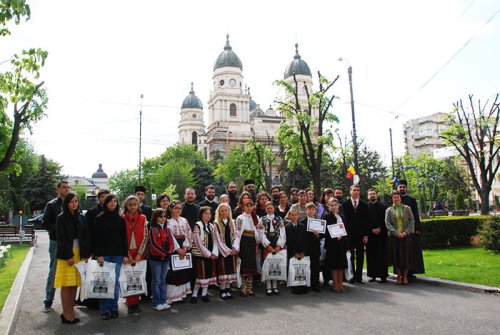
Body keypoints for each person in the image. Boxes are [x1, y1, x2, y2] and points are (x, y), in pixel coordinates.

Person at [54, 192, 90, 324]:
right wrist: (68, 255)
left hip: (79, 254)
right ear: (66, 203)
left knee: (74, 284)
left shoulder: (81, 217)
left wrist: (86, 254)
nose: (74, 204)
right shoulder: (61, 218)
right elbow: (61, 239)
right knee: (66, 284)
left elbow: (85, 237)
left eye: (76, 201)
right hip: (67, 255)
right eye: (72, 201)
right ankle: (65, 313)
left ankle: (71, 312)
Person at [94, 194, 129, 320]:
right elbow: (97, 239)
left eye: (115, 201)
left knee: (116, 283)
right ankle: (105, 309)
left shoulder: (120, 219)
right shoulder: (99, 218)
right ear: (106, 203)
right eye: (110, 201)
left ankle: (114, 307)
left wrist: (125, 254)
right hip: (105, 255)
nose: (113, 203)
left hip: (118, 254)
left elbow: (124, 238)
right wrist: (99, 255)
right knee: (105, 282)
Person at [42, 180, 70, 312]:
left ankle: (71, 300)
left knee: (71, 270)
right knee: (54, 270)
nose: (66, 189)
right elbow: (46, 223)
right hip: (56, 242)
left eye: (68, 187)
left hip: (71, 242)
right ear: (58, 189)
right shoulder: (52, 205)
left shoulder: (73, 203)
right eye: (64, 187)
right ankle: (48, 300)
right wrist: (58, 232)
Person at [83, 188, 110, 310]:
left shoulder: (111, 211)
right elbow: (88, 232)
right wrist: (91, 250)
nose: (105, 199)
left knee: (105, 276)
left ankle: (104, 299)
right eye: (103, 197)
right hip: (95, 248)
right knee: (94, 275)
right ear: (99, 198)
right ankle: (92, 301)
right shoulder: (92, 212)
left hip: (108, 249)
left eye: (107, 197)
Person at [122, 195, 148, 314]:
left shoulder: (143, 218)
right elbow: (120, 238)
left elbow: (145, 237)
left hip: (139, 252)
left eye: (135, 205)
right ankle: (129, 302)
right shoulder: (122, 218)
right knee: (128, 277)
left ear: (138, 206)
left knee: (138, 276)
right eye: (130, 205)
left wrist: (139, 253)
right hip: (127, 252)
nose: (132, 207)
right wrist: (127, 254)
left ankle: (136, 301)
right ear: (126, 206)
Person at [149, 209, 179, 311]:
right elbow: (154, 245)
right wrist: (163, 254)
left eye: (164, 216)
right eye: (160, 216)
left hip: (165, 258)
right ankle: (156, 302)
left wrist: (168, 253)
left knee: (163, 280)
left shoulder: (167, 229)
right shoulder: (153, 229)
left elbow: (171, 243)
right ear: (156, 217)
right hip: (156, 259)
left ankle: (163, 300)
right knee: (156, 281)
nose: (163, 218)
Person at [385, 190, 415, 285]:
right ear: (392, 199)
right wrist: (396, 233)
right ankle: (398, 276)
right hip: (394, 237)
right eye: (394, 197)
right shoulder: (389, 210)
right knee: (397, 257)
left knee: (406, 257)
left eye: (397, 197)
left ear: (400, 198)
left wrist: (406, 232)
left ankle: (405, 276)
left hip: (406, 236)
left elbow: (412, 221)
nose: (396, 199)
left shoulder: (407, 208)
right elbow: (387, 223)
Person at [397, 180, 425, 276]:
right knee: (399, 252)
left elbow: (416, 215)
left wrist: (417, 228)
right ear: (397, 188)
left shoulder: (411, 200)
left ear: (406, 188)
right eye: (400, 187)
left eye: (403, 187)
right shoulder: (394, 199)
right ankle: (400, 273)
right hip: (398, 231)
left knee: (410, 252)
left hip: (410, 230)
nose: (402, 188)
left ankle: (410, 272)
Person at [166, 200, 192, 304]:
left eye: (180, 208)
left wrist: (185, 247)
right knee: (173, 273)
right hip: (173, 248)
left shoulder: (184, 220)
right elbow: (169, 236)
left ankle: (180, 296)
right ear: (171, 209)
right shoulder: (168, 221)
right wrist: (178, 249)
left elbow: (188, 233)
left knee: (182, 271)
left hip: (183, 247)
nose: (178, 210)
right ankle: (171, 297)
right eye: (176, 208)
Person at [342, 184, 369, 284]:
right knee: (351, 256)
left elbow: (367, 222)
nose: (356, 192)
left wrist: (366, 235)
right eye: (354, 190)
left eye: (358, 190)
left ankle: (359, 277)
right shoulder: (345, 204)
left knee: (360, 256)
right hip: (349, 235)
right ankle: (352, 276)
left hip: (361, 235)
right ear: (350, 191)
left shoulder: (364, 205)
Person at [191, 207, 218, 303]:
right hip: (200, 255)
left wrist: (214, 252)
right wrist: (208, 254)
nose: (208, 215)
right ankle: (194, 294)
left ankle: (204, 293)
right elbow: (197, 243)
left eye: (209, 213)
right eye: (205, 213)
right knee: (200, 275)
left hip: (210, 254)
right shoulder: (197, 226)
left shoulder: (211, 226)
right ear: (201, 214)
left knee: (207, 274)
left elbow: (216, 240)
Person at [257, 201, 285, 295]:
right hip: (267, 243)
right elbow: (260, 233)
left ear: (274, 208)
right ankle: (268, 286)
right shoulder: (262, 219)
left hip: (276, 242)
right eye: (267, 208)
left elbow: (282, 232)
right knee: (268, 265)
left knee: (276, 265)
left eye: (271, 208)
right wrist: (267, 245)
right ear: (265, 209)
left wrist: (279, 245)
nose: (269, 209)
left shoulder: (279, 218)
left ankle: (275, 286)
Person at [213, 203, 239, 300]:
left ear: (229, 211)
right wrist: (227, 251)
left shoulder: (233, 222)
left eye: (226, 210)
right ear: (219, 212)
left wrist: (235, 248)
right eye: (222, 210)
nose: (224, 212)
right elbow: (218, 239)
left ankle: (228, 289)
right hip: (223, 251)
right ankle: (222, 290)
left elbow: (237, 236)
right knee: (223, 271)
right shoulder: (216, 223)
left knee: (230, 271)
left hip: (232, 249)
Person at [235, 198, 260, 297]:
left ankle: (250, 288)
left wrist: (257, 245)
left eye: (251, 205)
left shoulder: (256, 217)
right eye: (247, 206)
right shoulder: (240, 218)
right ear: (243, 207)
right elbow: (237, 232)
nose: (249, 208)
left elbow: (257, 232)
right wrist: (237, 246)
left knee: (251, 267)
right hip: (244, 242)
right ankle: (243, 288)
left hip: (252, 242)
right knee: (243, 266)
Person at [323, 198, 348, 293]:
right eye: (331, 205)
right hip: (332, 244)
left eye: (335, 205)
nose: (334, 207)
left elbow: (345, 229)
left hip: (341, 244)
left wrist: (342, 235)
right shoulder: (327, 216)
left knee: (341, 265)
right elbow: (326, 231)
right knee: (334, 265)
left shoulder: (342, 216)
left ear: (338, 206)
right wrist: (335, 236)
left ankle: (340, 284)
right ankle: (335, 285)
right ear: (329, 206)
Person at [366, 188, 388, 283]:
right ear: (368, 196)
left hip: (381, 234)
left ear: (377, 195)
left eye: (374, 194)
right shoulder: (365, 207)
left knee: (382, 255)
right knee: (371, 255)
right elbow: (364, 221)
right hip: (370, 235)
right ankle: (372, 275)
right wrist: (371, 229)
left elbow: (386, 219)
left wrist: (380, 228)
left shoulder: (383, 206)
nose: (372, 195)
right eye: (370, 194)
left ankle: (383, 276)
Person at [284, 208, 308, 294]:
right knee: (294, 270)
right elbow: (289, 242)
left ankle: (303, 286)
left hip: (301, 251)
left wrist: (303, 252)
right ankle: (295, 287)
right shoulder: (287, 227)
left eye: (295, 215)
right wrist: (295, 253)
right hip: (292, 252)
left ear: (298, 216)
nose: (294, 217)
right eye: (292, 215)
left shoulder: (302, 226)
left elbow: (306, 240)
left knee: (301, 270)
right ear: (289, 216)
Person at [300, 203, 322, 292]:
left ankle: (315, 285)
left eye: (313, 209)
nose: (311, 211)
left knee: (315, 267)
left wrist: (318, 235)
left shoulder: (319, 222)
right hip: (305, 248)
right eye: (309, 209)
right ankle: (306, 285)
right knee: (305, 267)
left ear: (315, 211)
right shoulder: (301, 222)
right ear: (306, 211)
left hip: (315, 248)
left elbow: (323, 235)